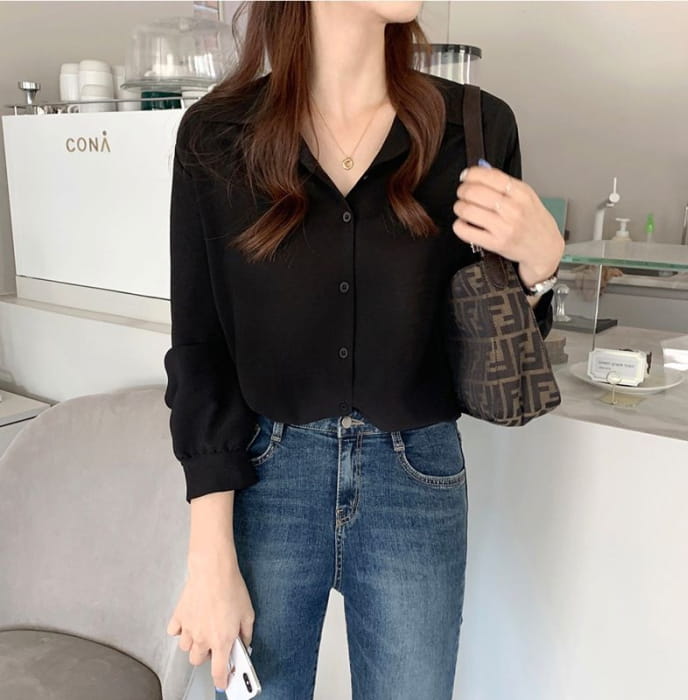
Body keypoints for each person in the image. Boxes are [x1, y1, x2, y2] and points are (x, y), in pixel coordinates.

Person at [163, 2, 565, 698]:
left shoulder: (476, 126)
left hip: (417, 476)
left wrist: (541, 268)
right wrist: (208, 557)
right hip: (265, 479)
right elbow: (201, 350)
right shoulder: (216, 134)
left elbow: (492, 330)